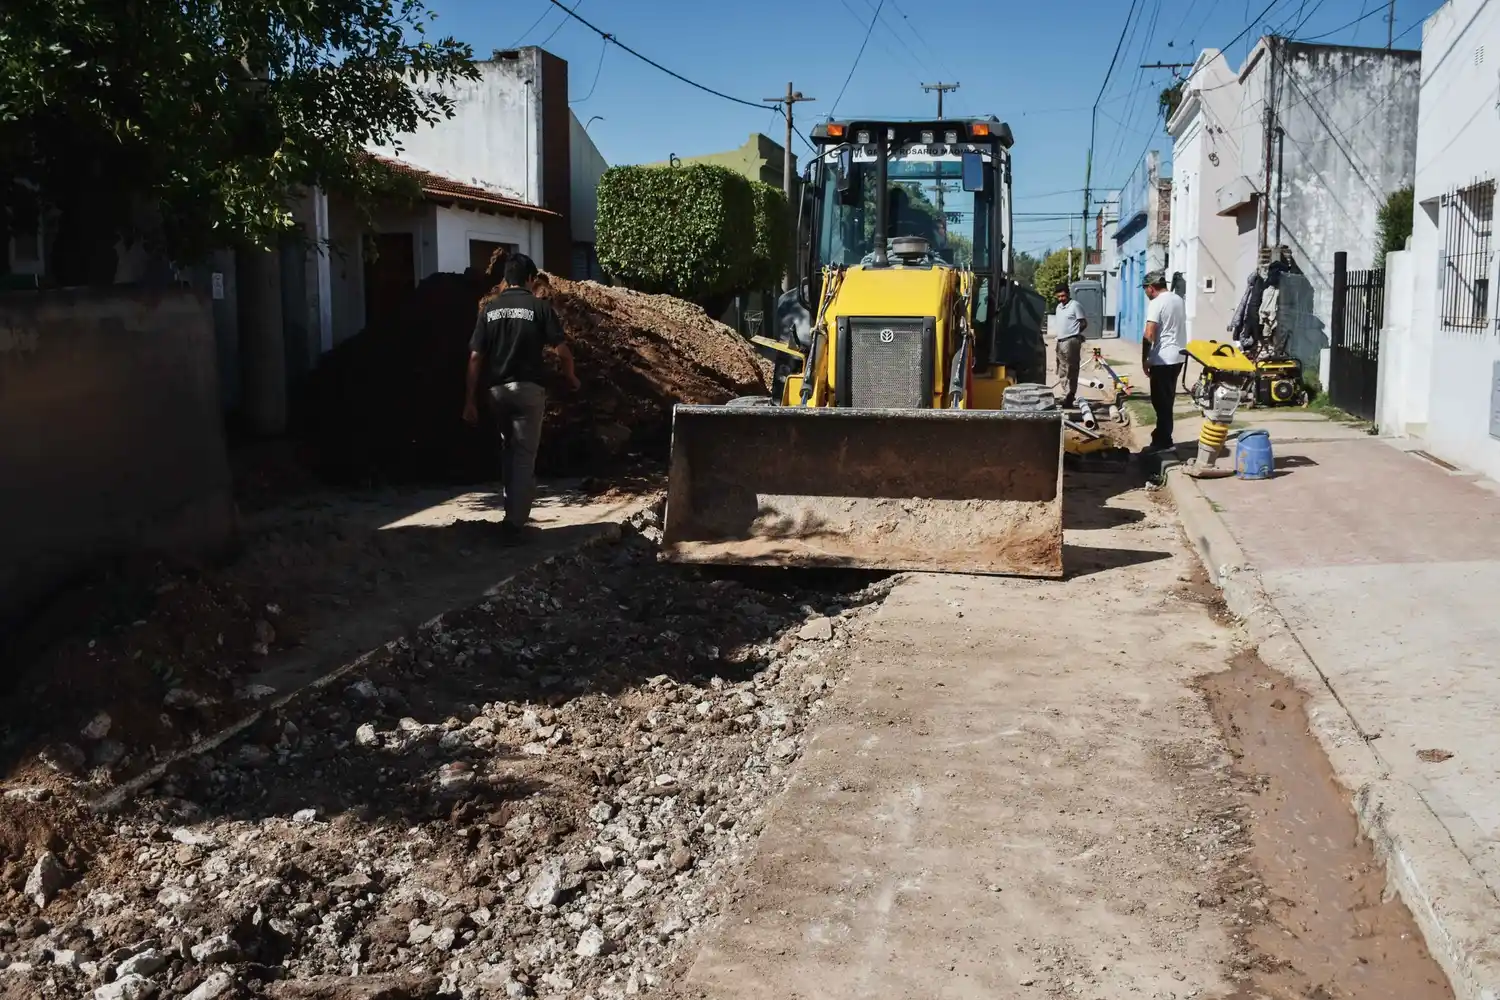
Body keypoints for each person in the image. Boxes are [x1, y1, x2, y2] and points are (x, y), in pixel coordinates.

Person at [463, 254, 581, 542]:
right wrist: (571, 377)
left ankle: (511, 512)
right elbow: (563, 351)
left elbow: (475, 357)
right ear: (529, 279)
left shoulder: (489, 310)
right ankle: (514, 524)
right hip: (528, 391)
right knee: (524, 457)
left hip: (497, 392)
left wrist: (469, 400)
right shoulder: (540, 308)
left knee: (509, 450)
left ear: (506, 279)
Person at [1142, 270, 1187, 453]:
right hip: (1178, 356)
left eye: (1145, 289)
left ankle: (1164, 441)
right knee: (1167, 400)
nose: (1145, 292)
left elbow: (1149, 333)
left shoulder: (1156, 303)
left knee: (1160, 402)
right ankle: (1162, 436)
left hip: (1163, 358)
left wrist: (1145, 359)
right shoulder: (1178, 300)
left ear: (1151, 288)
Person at [1052, 282, 1088, 409]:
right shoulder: (1058, 307)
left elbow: (1083, 323)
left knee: (1071, 369)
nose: (1061, 299)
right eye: (1059, 297)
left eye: (1063, 296)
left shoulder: (1075, 306)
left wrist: (1075, 334)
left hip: (1071, 341)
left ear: (1068, 294)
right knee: (1062, 369)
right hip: (1060, 341)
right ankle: (1065, 394)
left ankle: (1070, 395)